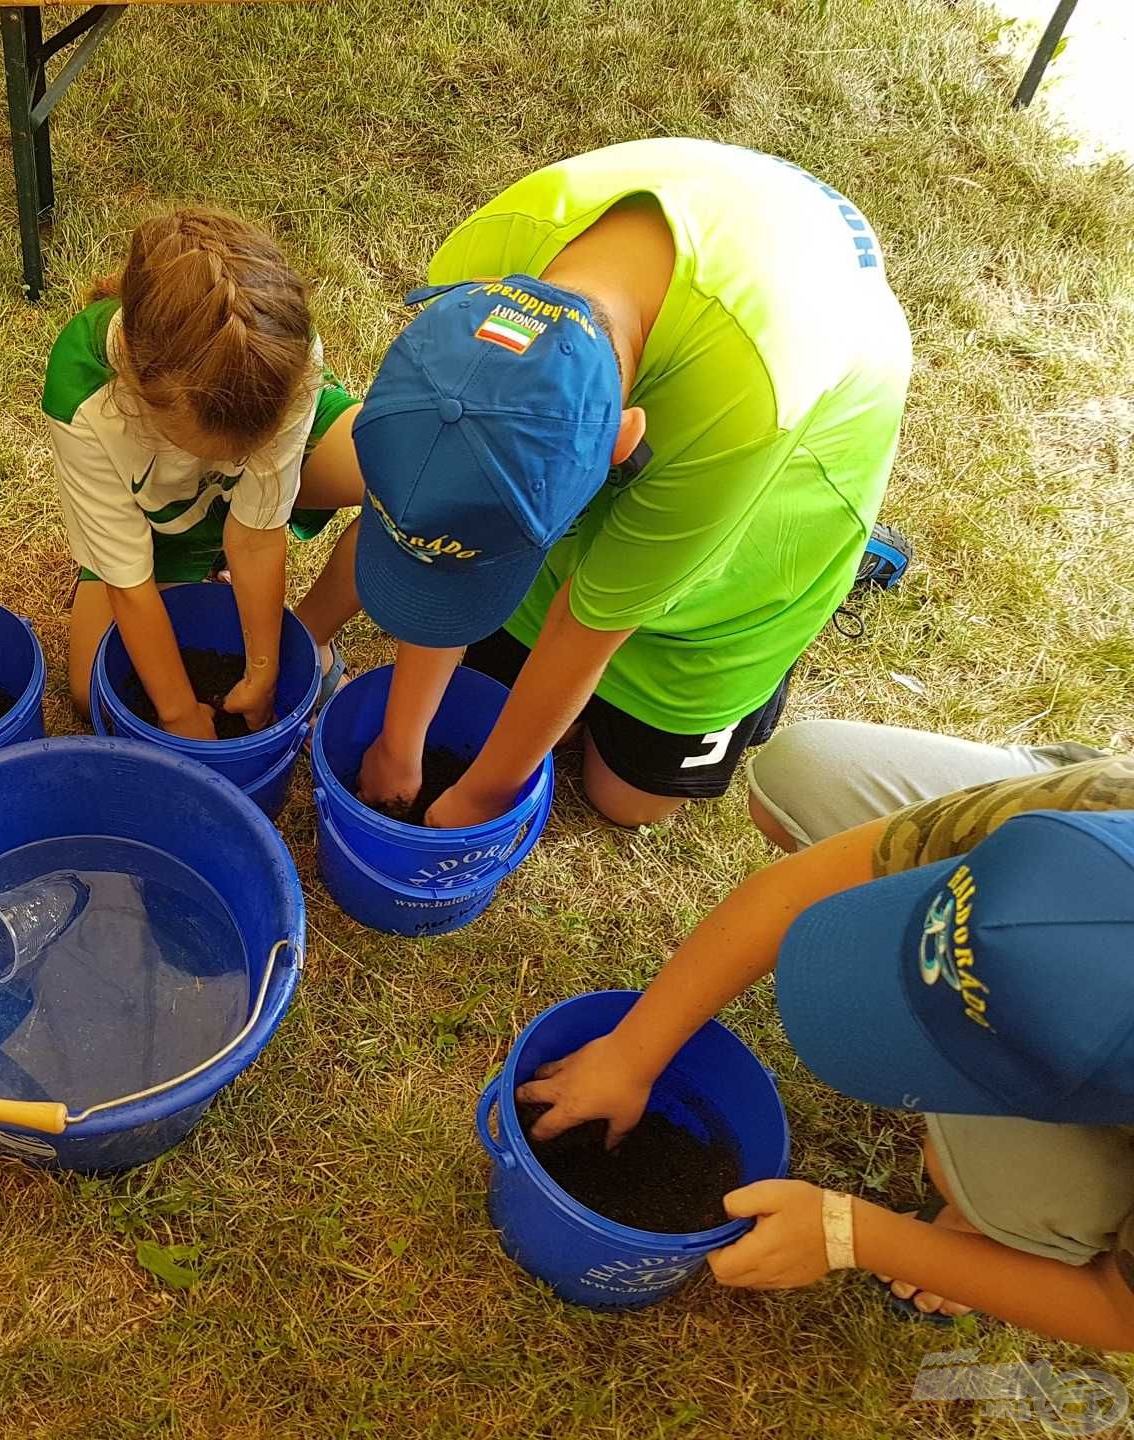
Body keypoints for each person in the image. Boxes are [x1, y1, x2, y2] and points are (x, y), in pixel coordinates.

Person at [333, 139, 911, 828]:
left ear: (625, 439)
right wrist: (402, 746)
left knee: (628, 800)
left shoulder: (746, 402)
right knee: (496, 688)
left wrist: (484, 796)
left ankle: (834, 569)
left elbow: (591, 622)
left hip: (793, 428)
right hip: (707, 262)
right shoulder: (475, 271)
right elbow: (442, 517)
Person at [521, 720, 1134, 1343]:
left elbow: (1121, 1313)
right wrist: (630, 1053)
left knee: (1005, 1195)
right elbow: (805, 885)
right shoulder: (1099, 817)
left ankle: (994, 1224)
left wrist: (853, 1234)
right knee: (803, 772)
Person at [46, 207, 366, 739]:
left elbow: (257, 537)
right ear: (138, 388)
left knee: (410, 485)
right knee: (90, 690)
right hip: (160, 530)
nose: (233, 466)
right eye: (213, 450)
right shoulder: (86, 401)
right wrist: (178, 712)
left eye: (244, 452)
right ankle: (203, 571)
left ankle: (306, 639)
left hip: (273, 482)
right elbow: (129, 582)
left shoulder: (278, 347)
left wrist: (265, 673)